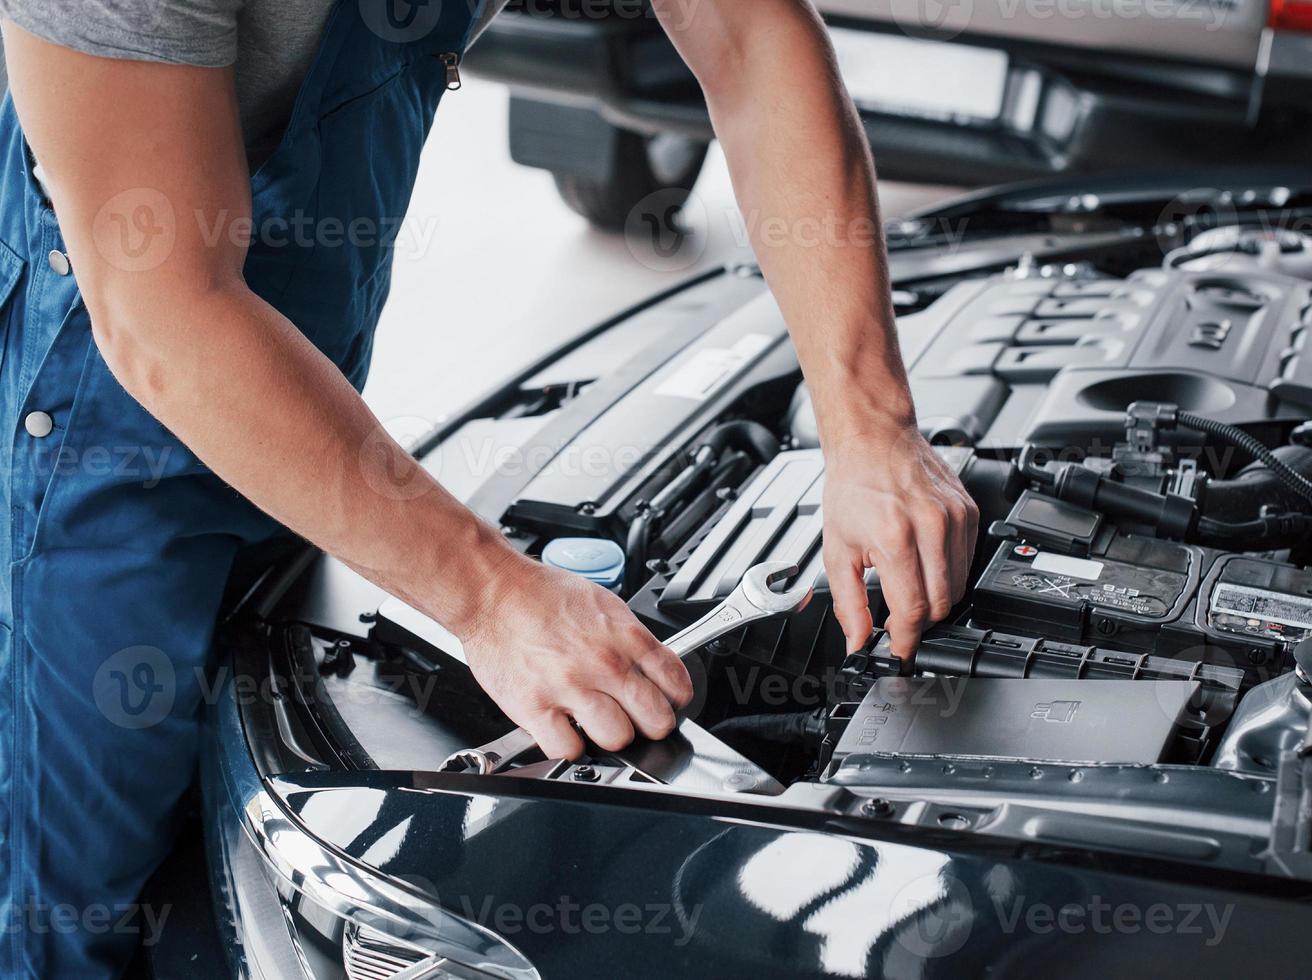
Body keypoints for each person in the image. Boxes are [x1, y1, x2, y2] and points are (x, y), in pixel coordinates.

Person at [0, 0, 979, 973]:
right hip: (108, 369)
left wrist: (870, 428)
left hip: (298, 315)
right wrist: (491, 595)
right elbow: (164, 311)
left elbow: (752, 35)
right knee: (80, 877)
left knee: (214, 783)